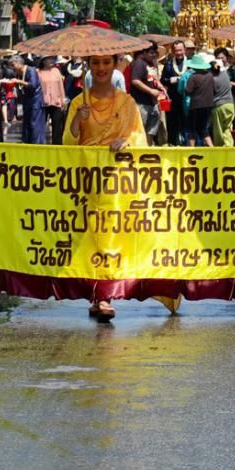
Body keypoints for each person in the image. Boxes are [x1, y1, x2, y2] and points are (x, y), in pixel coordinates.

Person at [63, 54, 149, 323]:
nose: (101, 68)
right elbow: (68, 143)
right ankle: (96, 294)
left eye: (106, 63)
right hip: (88, 181)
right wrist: (78, 119)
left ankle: (104, 296)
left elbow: (139, 138)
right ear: (89, 65)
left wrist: (125, 141)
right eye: (96, 63)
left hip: (116, 180)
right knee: (90, 238)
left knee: (110, 235)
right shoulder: (79, 102)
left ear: (115, 65)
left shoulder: (127, 102)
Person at [130, 43, 163, 145]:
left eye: (155, 53)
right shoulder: (139, 63)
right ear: (144, 53)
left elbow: (154, 78)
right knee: (141, 129)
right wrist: (150, 90)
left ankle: (148, 148)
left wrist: (160, 86)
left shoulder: (152, 64)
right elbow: (135, 81)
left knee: (151, 130)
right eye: (151, 53)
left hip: (153, 103)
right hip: (141, 103)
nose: (153, 55)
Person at [162, 41, 190, 146]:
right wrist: (169, 80)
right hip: (173, 99)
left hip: (186, 99)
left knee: (186, 124)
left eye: (180, 50)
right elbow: (162, 80)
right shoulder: (168, 64)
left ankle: (187, 146)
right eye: (176, 50)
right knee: (172, 124)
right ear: (173, 51)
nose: (178, 53)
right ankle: (172, 145)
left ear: (185, 50)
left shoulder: (190, 63)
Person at [184, 54, 215, 147]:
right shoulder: (210, 75)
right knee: (203, 128)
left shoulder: (193, 77)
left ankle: (191, 149)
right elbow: (214, 89)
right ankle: (211, 147)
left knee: (192, 128)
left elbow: (187, 91)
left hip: (196, 105)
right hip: (208, 105)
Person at [38, 56, 66, 145]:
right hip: (43, 103)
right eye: (48, 59)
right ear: (43, 61)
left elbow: (60, 86)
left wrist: (63, 100)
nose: (51, 61)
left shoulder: (56, 71)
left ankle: (57, 145)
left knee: (57, 126)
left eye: (52, 59)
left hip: (56, 102)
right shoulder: (38, 72)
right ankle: (40, 144)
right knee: (41, 125)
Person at [211, 47, 235, 146]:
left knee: (219, 132)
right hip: (230, 105)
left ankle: (221, 153)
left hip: (218, 106)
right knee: (227, 129)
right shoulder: (225, 73)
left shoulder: (212, 77)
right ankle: (229, 147)